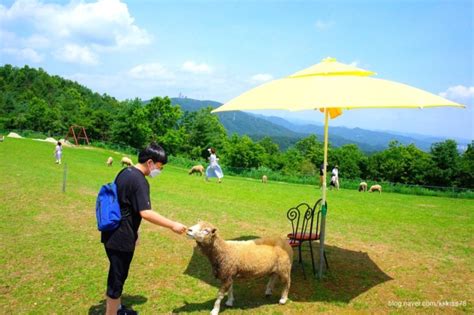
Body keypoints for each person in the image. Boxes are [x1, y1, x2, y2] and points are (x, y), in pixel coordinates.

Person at [101, 142, 187, 315]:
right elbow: (145, 212)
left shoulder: (125, 172)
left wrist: (135, 230)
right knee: (117, 279)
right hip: (121, 237)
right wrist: (172, 225)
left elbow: (124, 205)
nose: (159, 171)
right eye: (159, 167)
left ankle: (118, 309)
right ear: (150, 162)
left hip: (113, 232)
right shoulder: (140, 181)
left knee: (119, 274)